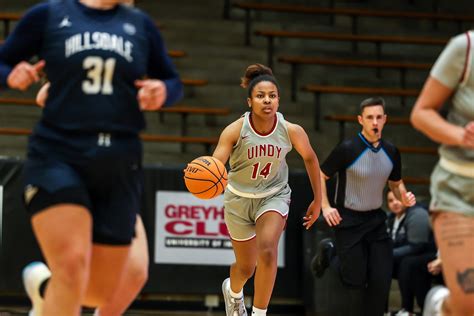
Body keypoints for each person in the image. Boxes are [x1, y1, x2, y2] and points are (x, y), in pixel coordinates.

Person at [0, 0, 183, 315]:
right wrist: (11, 76)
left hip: (117, 161)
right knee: (72, 267)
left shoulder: (138, 25)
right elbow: (10, 67)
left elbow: (171, 81)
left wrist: (163, 91)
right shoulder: (52, 16)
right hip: (60, 155)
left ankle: (45, 288)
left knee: (101, 289)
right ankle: (55, 289)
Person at [30, 81, 150, 316]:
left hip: (115, 172)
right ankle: (44, 289)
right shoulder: (81, 64)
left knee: (136, 272)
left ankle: (43, 289)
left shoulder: (128, 64)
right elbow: (44, 95)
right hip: (76, 171)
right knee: (75, 273)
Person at [211, 63, 322, 316]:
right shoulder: (235, 130)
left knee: (269, 251)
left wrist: (318, 199)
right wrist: (208, 173)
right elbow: (216, 163)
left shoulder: (291, 131)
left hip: (273, 195)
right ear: (249, 101)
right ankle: (233, 292)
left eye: (272, 96)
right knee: (245, 268)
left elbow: (311, 159)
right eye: (260, 96)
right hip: (239, 199)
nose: (267, 100)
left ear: (279, 100)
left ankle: (259, 314)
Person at [311, 97, 416, 316]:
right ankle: (331, 252)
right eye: (370, 117)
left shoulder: (392, 151)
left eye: (379, 117)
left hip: (376, 221)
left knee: (381, 280)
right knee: (355, 282)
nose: (375, 122)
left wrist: (404, 196)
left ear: (385, 120)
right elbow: (320, 175)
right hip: (348, 221)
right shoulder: (348, 148)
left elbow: (395, 183)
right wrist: (326, 207)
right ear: (361, 120)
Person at [410, 30, 474, 316]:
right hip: (460, 190)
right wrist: (462, 136)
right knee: (468, 303)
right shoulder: (466, 48)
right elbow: (421, 112)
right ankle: (439, 305)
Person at [386, 190, 435, 315]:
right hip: (405, 256)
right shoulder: (391, 217)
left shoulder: (417, 214)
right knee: (379, 265)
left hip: (426, 255)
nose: (395, 203)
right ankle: (382, 309)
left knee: (406, 263)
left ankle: (407, 309)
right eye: (391, 200)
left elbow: (417, 246)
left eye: (397, 199)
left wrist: (387, 254)